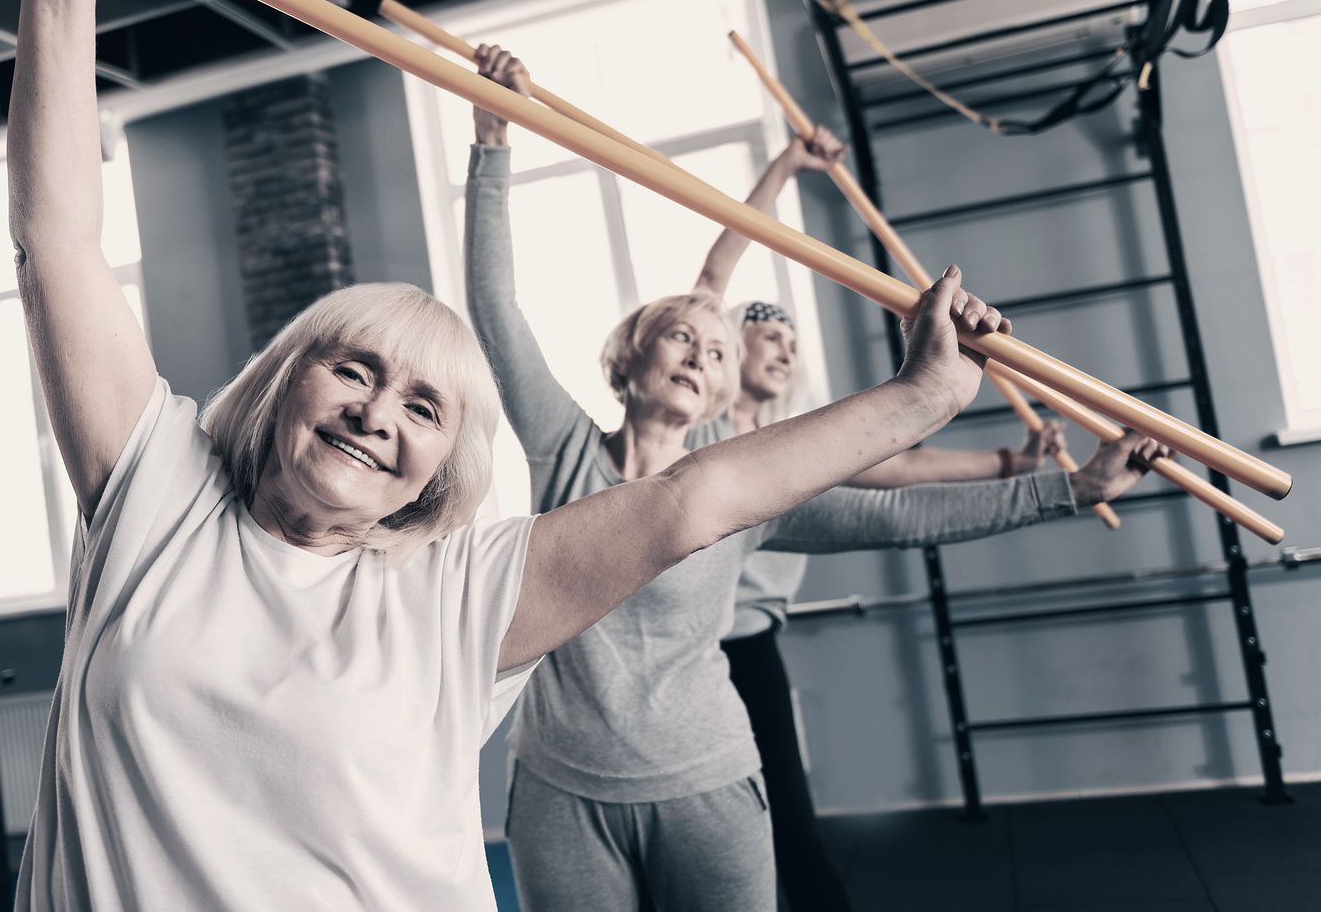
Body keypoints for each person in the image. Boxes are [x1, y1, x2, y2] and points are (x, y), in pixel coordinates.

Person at [7, 0, 1038, 912]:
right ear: (285, 382)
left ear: (441, 473)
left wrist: (937, 404)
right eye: (352, 370)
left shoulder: (458, 590)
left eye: (423, 407)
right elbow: (60, 246)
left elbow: (703, 501)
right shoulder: (159, 501)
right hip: (571, 788)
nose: (375, 412)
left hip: (705, 770)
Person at [462, 44, 1166, 911]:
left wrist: (1074, 487)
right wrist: (492, 139)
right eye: (681, 335)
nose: (700, 349)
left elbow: (904, 515)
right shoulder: (565, 452)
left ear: (724, 389)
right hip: (560, 790)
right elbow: (496, 309)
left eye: (716, 350)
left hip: (706, 781)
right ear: (629, 356)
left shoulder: (742, 486)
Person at [688, 131, 1069, 911]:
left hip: (750, 643)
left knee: (789, 822)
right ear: (732, 346)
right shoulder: (705, 422)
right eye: (769, 336)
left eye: (794, 342)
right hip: (681, 645)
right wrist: (787, 166)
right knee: (697, 826)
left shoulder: (809, 442)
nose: (785, 351)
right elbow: (720, 264)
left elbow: (899, 470)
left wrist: (1009, 461)